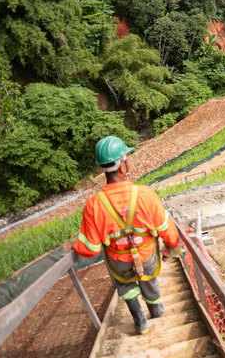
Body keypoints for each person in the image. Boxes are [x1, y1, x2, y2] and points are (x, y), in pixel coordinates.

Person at [73, 136, 184, 334]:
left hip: (119, 262)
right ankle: (156, 312)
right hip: (146, 255)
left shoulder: (94, 204)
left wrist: (74, 247)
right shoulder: (145, 194)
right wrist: (171, 248)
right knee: (149, 281)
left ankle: (140, 322)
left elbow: (90, 249)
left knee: (126, 287)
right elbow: (168, 230)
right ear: (123, 165)